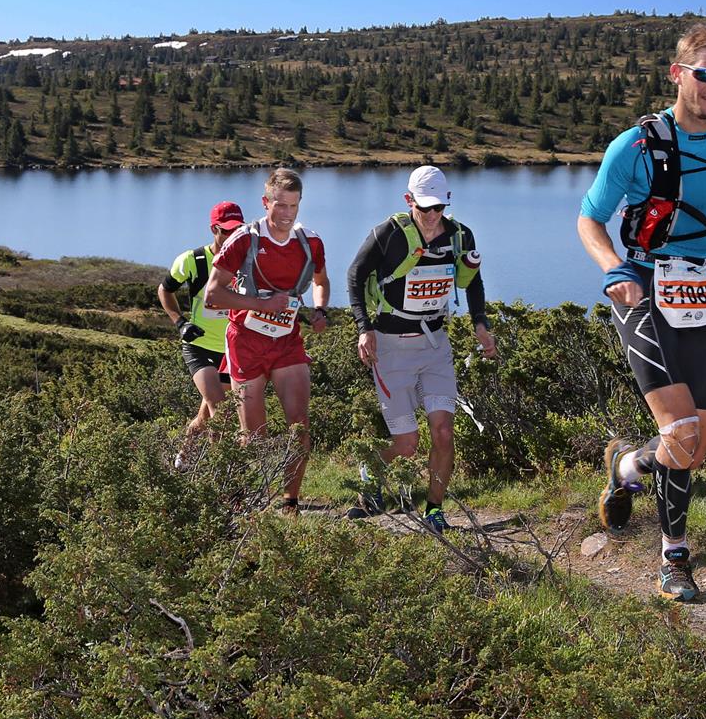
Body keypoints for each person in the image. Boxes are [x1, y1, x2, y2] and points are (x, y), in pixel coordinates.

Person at [577, 22, 706, 602]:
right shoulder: (637, 144)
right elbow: (589, 218)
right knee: (682, 428)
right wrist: (613, 269)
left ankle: (625, 466)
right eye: (705, 74)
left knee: (696, 446)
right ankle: (674, 559)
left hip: (705, 286)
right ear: (677, 74)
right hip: (642, 283)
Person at [344, 165, 498, 532]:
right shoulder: (387, 235)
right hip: (391, 348)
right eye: (424, 207)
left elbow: (473, 281)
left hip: (435, 345)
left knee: (444, 431)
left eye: (439, 208)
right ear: (408, 200)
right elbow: (354, 275)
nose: (432, 216)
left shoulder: (461, 236)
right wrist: (364, 329)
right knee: (408, 443)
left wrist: (481, 323)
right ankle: (372, 471)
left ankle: (434, 510)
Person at [203, 167, 330, 515]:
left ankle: (290, 503)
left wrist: (320, 310)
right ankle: (242, 500)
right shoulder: (244, 239)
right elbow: (212, 296)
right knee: (253, 436)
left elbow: (321, 280)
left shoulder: (310, 242)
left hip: (287, 342)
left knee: (299, 426)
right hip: (246, 343)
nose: (287, 214)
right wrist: (261, 304)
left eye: (294, 206)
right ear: (266, 202)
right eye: (280, 205)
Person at [157, 200, 247, 465]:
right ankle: (219, 475)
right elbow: (165, 290)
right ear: (213, 229)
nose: (232, 237)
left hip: (233, 349)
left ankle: (183, 456)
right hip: (200, 347)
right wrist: (180, 322)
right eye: (226, 231)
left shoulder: (247, 262)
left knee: (207, 415)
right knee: (222, 411)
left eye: (238, 230)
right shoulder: (193, 261)